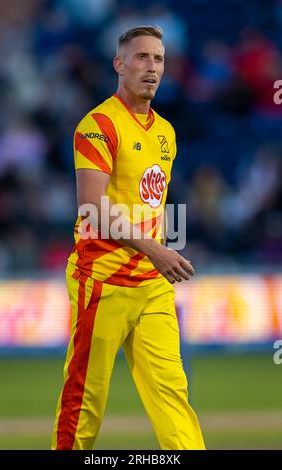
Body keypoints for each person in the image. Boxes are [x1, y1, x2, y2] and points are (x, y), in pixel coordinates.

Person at [51, 25, 205, 450]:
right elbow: (92, 208)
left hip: (153, 287)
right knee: (85, 401)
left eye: (158, 59)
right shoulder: (98, 124)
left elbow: (153, 205)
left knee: (173, 395)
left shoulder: (166, 133)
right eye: (141, 57)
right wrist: (157, 249)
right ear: (119, 64)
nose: (151, 67)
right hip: (102, 282)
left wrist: (167, 244)